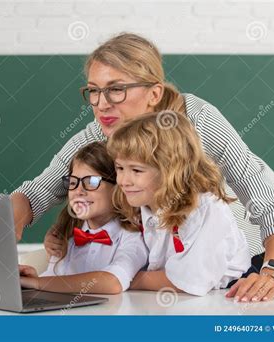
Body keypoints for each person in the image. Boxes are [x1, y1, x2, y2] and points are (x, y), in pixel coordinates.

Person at [11, 32, 274, 302]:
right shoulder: (100, 134)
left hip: (230, 275)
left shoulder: (196, 119)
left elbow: (265, 196)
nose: (101, 104)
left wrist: (273, 269)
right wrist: (5, 229)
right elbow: (39, 191)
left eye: (116, 90)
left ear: (154, 93)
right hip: (157, 273)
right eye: (94, 91)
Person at [107, 111, 251, 296]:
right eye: (120, 168)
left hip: (224, 297)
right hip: (157, 295)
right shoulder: (140, 201)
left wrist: (118, 279)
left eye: (136, 170)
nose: (124, 180)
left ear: (170, 169)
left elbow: (188, 281)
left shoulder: (206, 208)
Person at [19, 142, 148, 294]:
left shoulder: (133, 236)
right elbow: (54, 279)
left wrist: (38, 283)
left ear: (118, 187)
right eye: (73, 182)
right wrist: (34, 279)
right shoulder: (67, 233)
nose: (78, 191)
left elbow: (114, 282)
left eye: (91, 182)